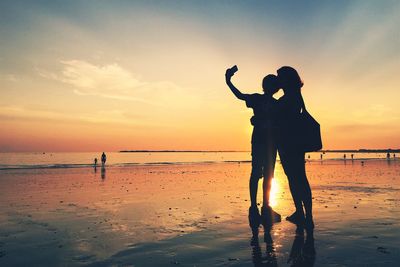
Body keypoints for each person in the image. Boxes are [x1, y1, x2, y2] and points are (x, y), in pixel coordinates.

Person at [225, 65, 281, 226]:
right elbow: (240, 95)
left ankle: (262, 207)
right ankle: (257, 208)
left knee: (264, 174)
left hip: (267, 142)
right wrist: (228, 82)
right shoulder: (263, 100)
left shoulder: (272, 103)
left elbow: (240, 95)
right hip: (263, 141)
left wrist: (228, 82)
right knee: (260, 174)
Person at [275, 66, 314, 230]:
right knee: (296, 177)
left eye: (280, 77)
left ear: (287, 79)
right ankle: (303, 213)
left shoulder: (288, 98)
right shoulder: (296, 96)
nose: (278, 80)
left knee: (296, 177)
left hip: (288, 143)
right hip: (294, 142)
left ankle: (305, 214)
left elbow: (283, 120)